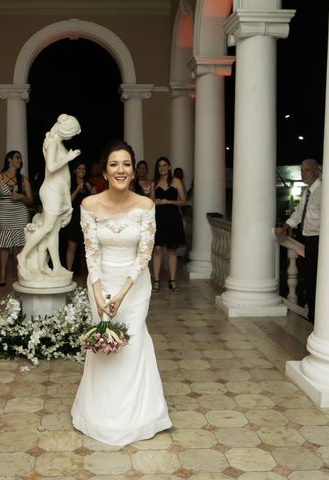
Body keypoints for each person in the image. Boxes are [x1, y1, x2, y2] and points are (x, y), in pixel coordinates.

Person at [71, 140, 171, 446]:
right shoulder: (89, 205)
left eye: (126, 164)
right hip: (101, 282)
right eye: (114, 164)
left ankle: (138, 416)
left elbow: (145, 253)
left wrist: (123, 293)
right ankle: (99, 414)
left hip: (134, 285)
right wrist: (100, 294)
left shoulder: (145, 206)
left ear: (134, 169)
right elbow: (91, 253)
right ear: (105, 169)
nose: (121, 170)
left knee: (133, 341)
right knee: (103, 346)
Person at [16, 114, 81, 283]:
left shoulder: (56, 142)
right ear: (66, 130)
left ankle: (57, 265)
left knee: (53, 231)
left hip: (59, 192)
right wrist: (68, 158)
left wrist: (67, 200)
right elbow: (51, 167)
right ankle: (22, 256)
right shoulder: (52, 143)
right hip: (51, 191)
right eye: (73, 133)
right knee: (47, 228)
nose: (73, 137)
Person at [275, 158, 322, 323]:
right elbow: (298, 213)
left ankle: (317, 316)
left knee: (316, 280)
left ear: (317, 171)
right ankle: (312, 316)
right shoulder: (307, 192)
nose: (303, 173)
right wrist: (286, 227)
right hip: (308, 241)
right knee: (309, 278)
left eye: (307, 170)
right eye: (302, 170)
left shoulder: (323, 191)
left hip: (319, 241)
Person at [0, 151, 33, 286]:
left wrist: (21, 197)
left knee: (21, 244)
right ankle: (3, 274)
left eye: (20, 158)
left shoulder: (23, 179)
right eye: (17, 158)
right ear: (9, 160)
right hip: (4, 214)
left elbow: (31, 200)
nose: (20, 160)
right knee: (4, 245)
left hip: (20, 214)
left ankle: (21, 272)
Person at [151, 156, 186, 292]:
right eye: (160, 166)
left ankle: (172, 281)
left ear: (169, 167)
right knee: (158, 249)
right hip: (158, 218)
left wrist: (169, 202)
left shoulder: (176, 181)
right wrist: (156, 202)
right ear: (157, 169)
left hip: (173, 218)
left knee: (172, 250)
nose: (162, 168)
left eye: (165, 165)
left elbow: (183, 201)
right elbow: (150, 201)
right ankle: (156, 281)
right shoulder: (154, 182)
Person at [63, 159, 94, 271]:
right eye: (79, 168)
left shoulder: (89, 184)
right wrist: (77, 189)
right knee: (72, 246)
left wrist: (91, 190)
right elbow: (67, 202)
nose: (82, 171)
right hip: (74, 218)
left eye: (84, 169)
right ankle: (69, 273)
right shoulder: (69, 184)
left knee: (88, 247)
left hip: (86, 218)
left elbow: (96, 201)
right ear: (75, 171)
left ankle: (91, 274)